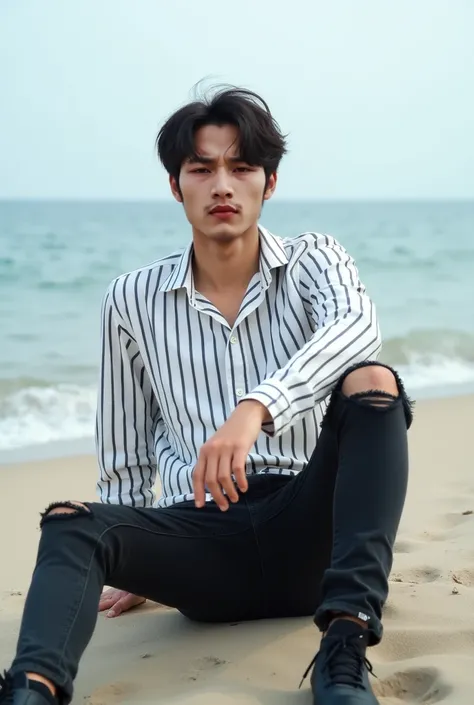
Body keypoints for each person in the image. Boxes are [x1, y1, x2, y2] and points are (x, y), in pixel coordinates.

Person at [0, 86, 412, 705]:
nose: (223, 185)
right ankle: (31, 690)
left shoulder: (313, 260)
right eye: (202, 168)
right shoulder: (131, 299)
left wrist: (257, 407)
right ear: (177, 186)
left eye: (241, 167)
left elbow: (357, 327)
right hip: (202, 544)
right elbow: (127, 445)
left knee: (374, 382)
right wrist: (128, 552)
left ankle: (344, 652)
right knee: (70, 523)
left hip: (312, 533)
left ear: (268, 184)